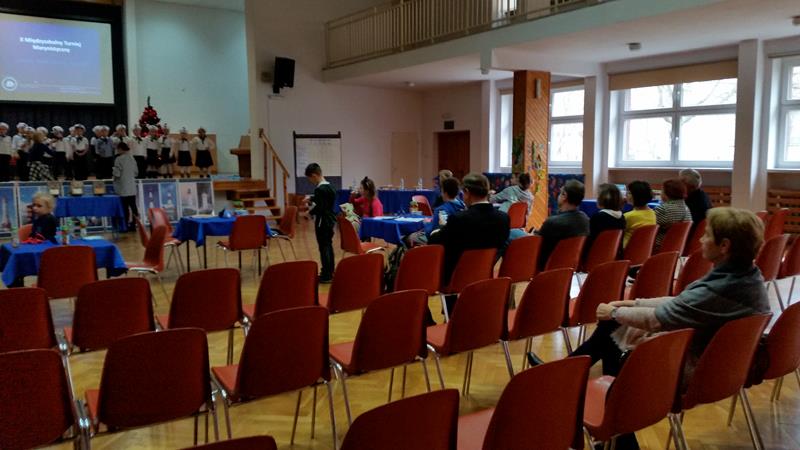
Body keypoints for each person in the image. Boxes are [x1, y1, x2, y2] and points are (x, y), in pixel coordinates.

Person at [546, 207, 770, 450]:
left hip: (697, 369)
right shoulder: (746, 277)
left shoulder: (722, 289)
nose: (701, 239)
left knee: (614, 333)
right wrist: (633, 303)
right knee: (613, 337)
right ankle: (583, 391)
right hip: (722, 364)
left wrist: (614, 312)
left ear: (724, 245)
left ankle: (576, 384)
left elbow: (662, 317)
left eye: (707, 235)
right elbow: (681, 303)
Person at [428, 172, 510, 314]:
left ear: (466, 192)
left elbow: (436, 241)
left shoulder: (459, 219)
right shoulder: (503, 219)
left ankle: (441, 314)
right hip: (484, 273)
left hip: (455, 276)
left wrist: (436, 231)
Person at [535, 179, 589, 270]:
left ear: (564, 196)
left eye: (560, 193)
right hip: (571, 268)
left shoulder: (552, 223)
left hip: (547, 268)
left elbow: (537, 246)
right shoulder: (585, 219)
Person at [407, 176, 464, 246]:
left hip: (439, 242)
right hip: (457, 240)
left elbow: (432, 231)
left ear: (445, 193)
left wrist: (426, 224)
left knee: (410, 237)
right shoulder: (462, 205)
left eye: (441, 191)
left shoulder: (441, 210)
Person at [305, 163, 336, 283]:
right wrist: (311, 199)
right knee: (328, 245)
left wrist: (309, 213)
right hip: (330, 220)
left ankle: (326, 275)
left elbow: (320, 207)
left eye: (310, 179)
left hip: (322, 221)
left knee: (323, 247)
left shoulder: (319, 189)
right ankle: (330, 271)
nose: (311, 181)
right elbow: (324, 200)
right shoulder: (330, 187)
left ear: (314, 175)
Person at [586, 183, 625, 256]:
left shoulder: (598, 217)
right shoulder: (622, 217)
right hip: (615, 256)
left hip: (597, 256)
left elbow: (589, 242)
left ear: (602, 199)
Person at [654, 178, 692, 251]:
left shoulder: (663, 209)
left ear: (667, 194)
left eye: (662, 190)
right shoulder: (686, 208)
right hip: (678, 247)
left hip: (659, 247)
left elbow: (650, 226)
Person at [113, 142, 139, 230]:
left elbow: (117, 174)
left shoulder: (119, 159)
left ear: (120, 149)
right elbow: (136, 172)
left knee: (125, 207)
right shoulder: (132, 158)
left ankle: (125, 225)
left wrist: (114, 176)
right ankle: (134, 225)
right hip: (132, 186)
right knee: (133, 206)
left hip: (123, 187)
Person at [622, 180, 656, 248]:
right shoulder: (653, 213)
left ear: (636, 196)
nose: (626, 195)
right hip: (645, 249)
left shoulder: (628, 216)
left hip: (627, 249)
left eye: (629, 193)